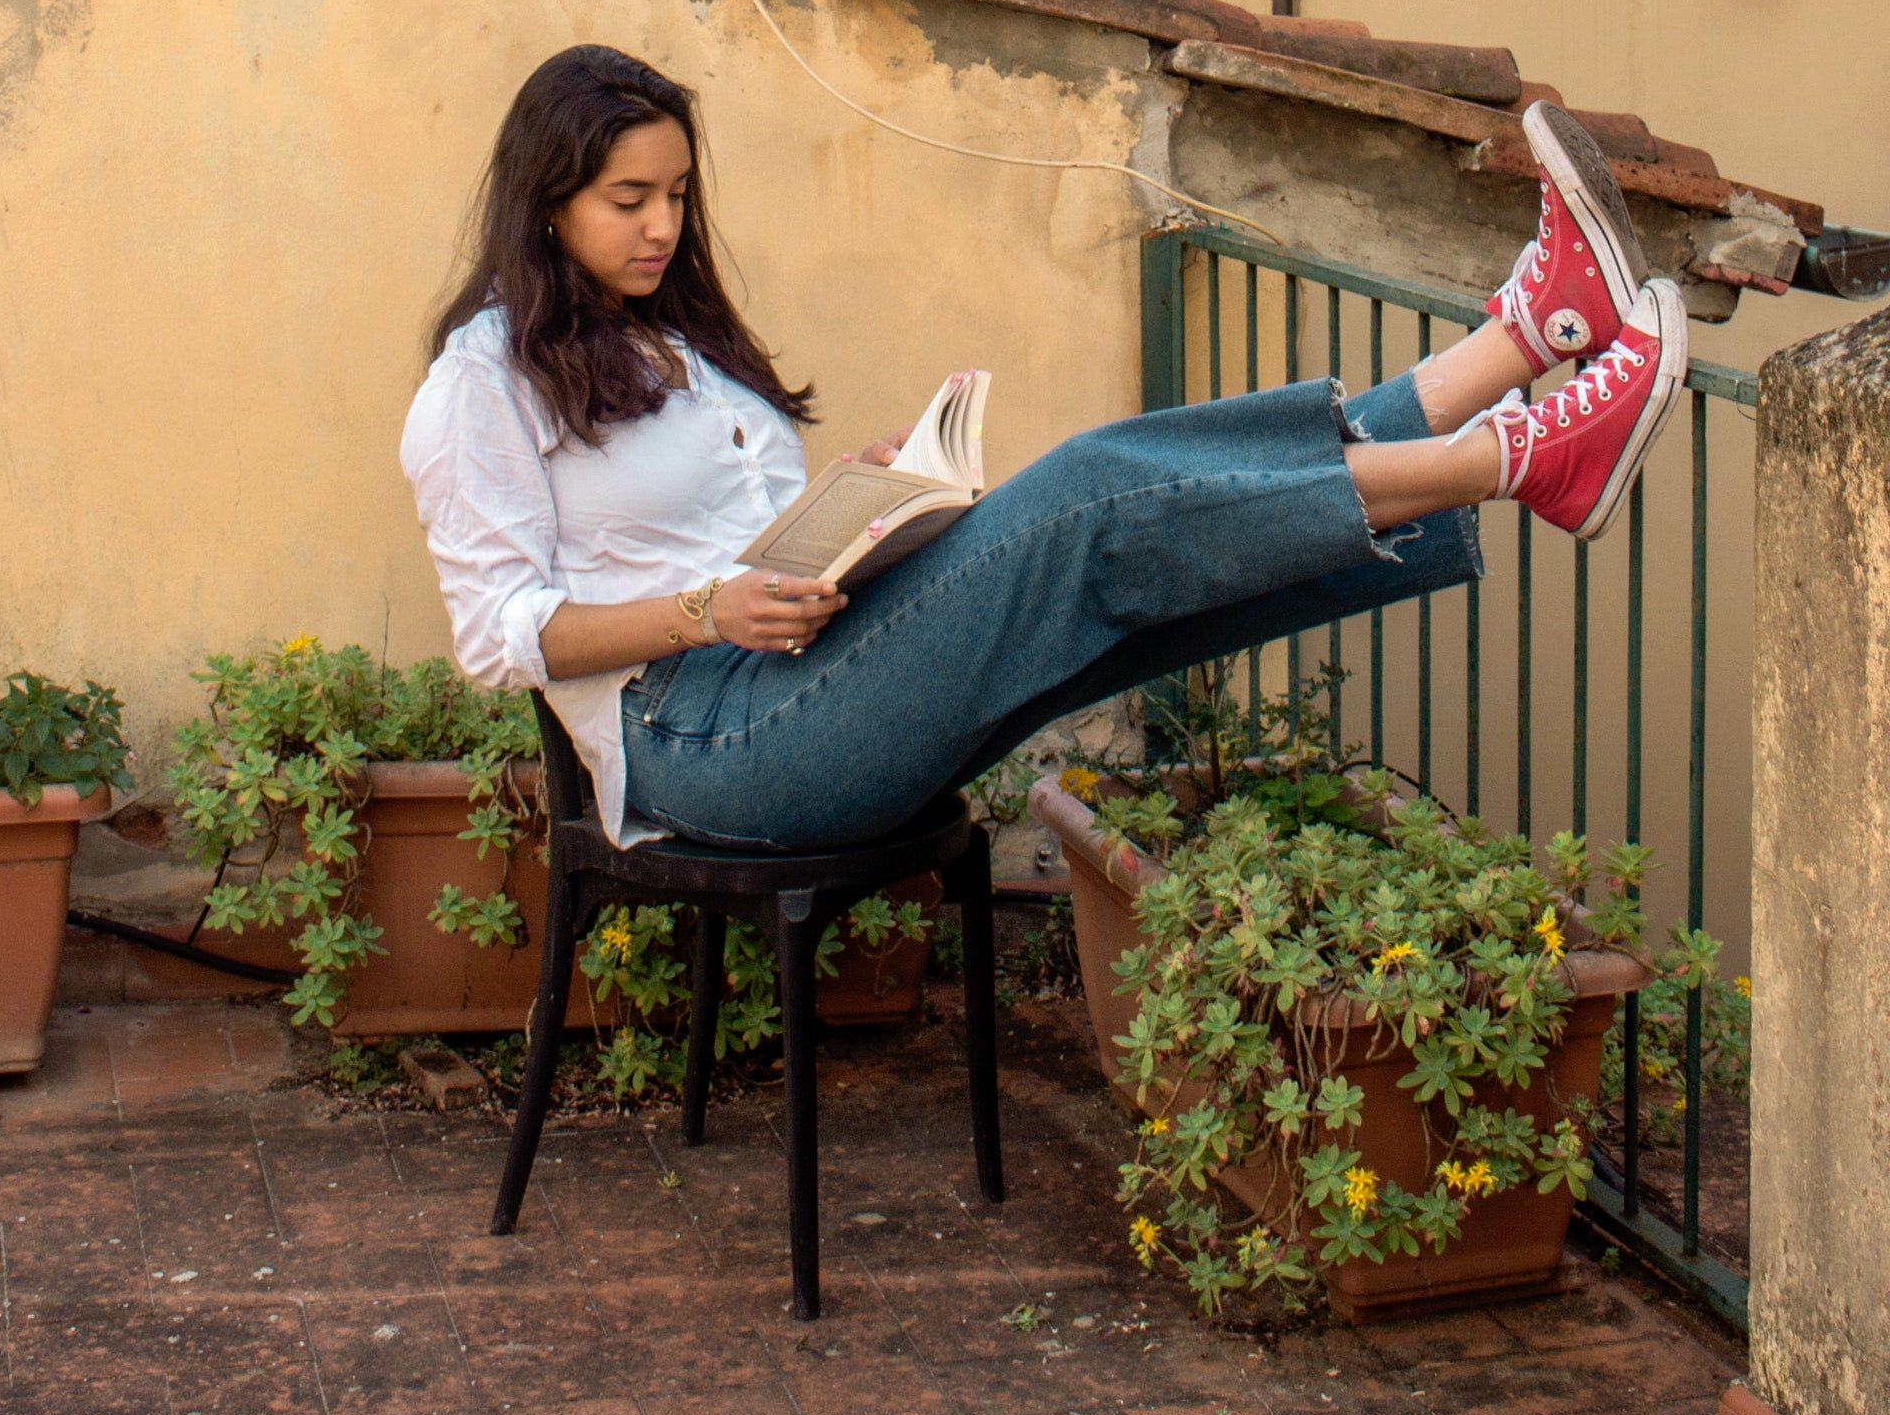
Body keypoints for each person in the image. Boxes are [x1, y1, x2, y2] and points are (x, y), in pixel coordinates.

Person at [401, 45, 1686, 855]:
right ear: (546, 199)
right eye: (628, 201)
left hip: (808, 673)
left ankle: (1521, 343)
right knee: (1086, 502)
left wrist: (864, 500)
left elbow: (730, 544)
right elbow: (499, 633)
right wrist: (703, 609)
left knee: (1142, 577)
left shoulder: (669, 341)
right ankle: (1511, 458)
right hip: (711, 749)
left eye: (677, 196)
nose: (664, 227)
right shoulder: (479, 385)